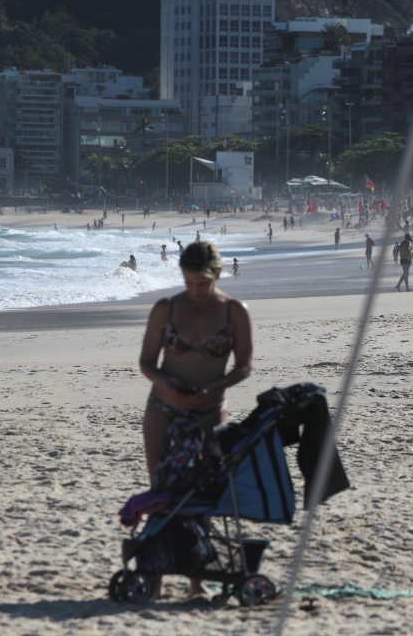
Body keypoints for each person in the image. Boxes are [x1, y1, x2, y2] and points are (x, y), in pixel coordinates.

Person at [137, 242, 253, 599]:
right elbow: (146, 362)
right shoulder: (166, 308)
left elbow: (244, 366)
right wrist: (164, 381)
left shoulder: (235, 311)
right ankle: (153, 581)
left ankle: (196, 581)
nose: (195, 291)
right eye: (189, 283)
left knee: (201, 493)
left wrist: (214, 387)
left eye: (201, 284)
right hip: (163, 409)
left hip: (208, 412)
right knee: (161, 491)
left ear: (217, 275)